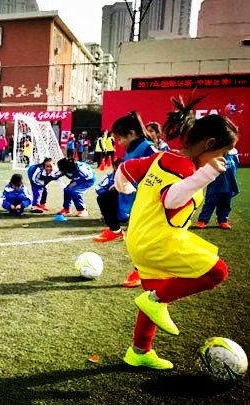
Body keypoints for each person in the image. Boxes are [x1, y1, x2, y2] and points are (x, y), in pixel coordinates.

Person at [116, 96, 237, 370]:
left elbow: (125, 168)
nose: (223, 160)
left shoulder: (164, 156)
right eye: (223, 153)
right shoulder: (188, 168)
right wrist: (205, 176)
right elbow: (171, 200)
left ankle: (139, 352)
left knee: (155, 298)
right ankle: (156, 300)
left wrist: (124, 186)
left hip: (140, 238)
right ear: (208, 144)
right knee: (217, 272)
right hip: (158, 241)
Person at [93, 111, 158, 246]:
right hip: (129, 191)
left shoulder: (147, 147)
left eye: (119, 138)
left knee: (140, 232)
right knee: (104, 199)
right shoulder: (131, 148)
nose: (118, 142)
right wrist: (118, 184)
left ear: (131, 134)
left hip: (144, 194)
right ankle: (116, 232)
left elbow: (159, 164)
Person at [195, 148, 240, 229]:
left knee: (226, 203)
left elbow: (236, 165)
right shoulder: (214, 151)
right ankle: (202, 220)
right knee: (210, 202)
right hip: (214, 183)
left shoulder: (234, 152)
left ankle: (223, 220)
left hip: (228, 183)